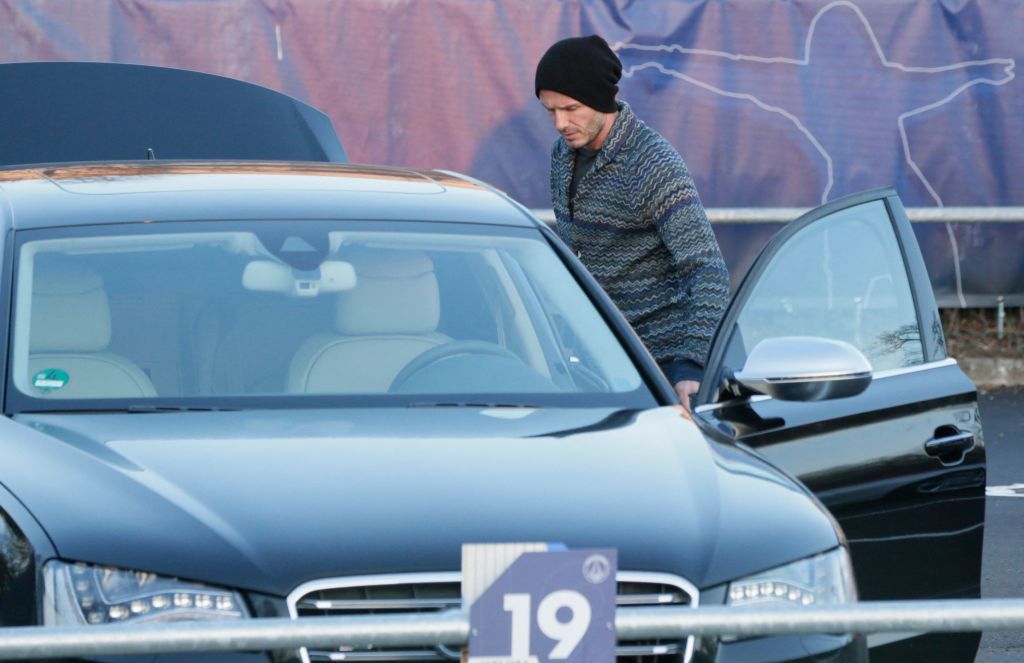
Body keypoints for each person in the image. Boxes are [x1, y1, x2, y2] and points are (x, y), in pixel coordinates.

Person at [535, 35, 729, 412]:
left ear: (601, 100)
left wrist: (692, 364)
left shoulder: (652, 164)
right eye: (550, 111)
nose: (560, 123)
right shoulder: (562, 154)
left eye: (571, 108)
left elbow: (707, 270)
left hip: (661, 369)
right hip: (598, 363)